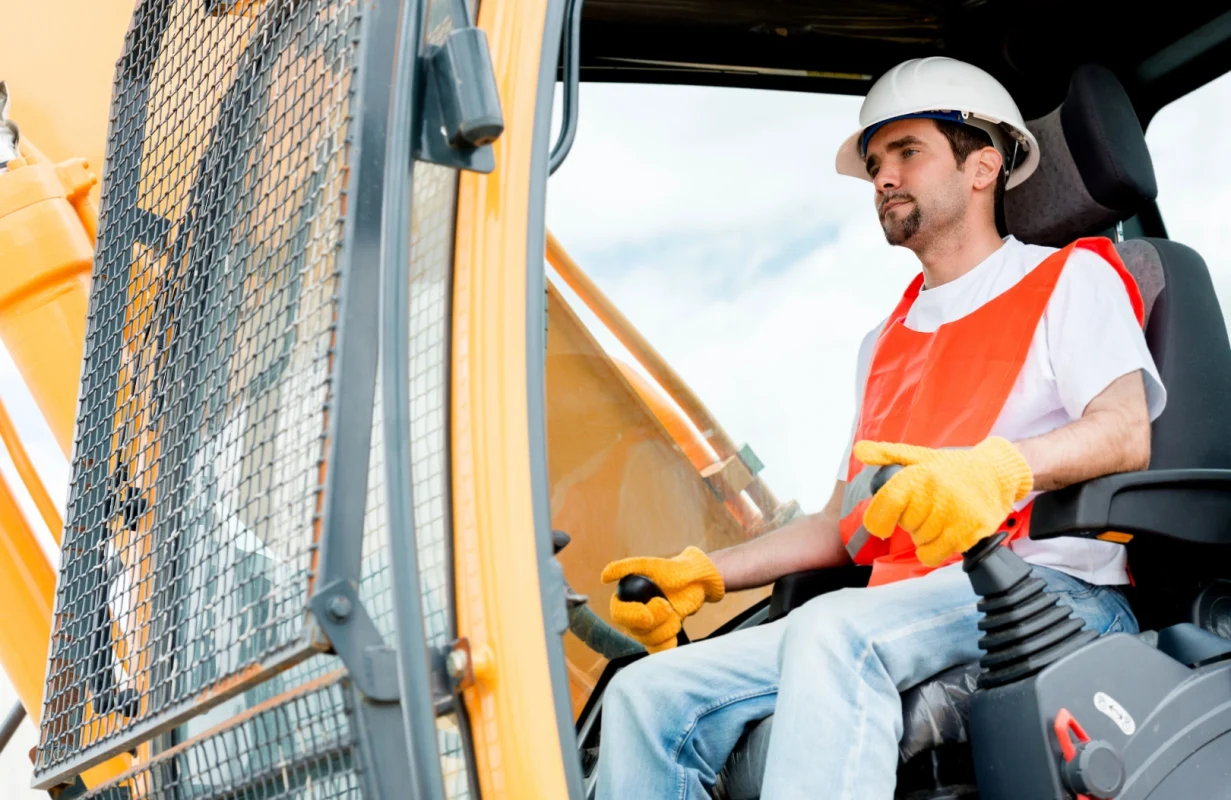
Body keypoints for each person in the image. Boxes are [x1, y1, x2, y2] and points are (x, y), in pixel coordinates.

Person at [593, 57, 1167, 799]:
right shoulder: (884, 343)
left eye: (907, 152)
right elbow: (845, 524)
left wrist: (995, 469)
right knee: (647, 694)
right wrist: (706, 572)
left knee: (832, 631)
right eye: (873, 165)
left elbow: (1125, 432)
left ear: (982, 167)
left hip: (1043, 592)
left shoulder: (1069, 279)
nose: (883, 178)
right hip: (903, 606)